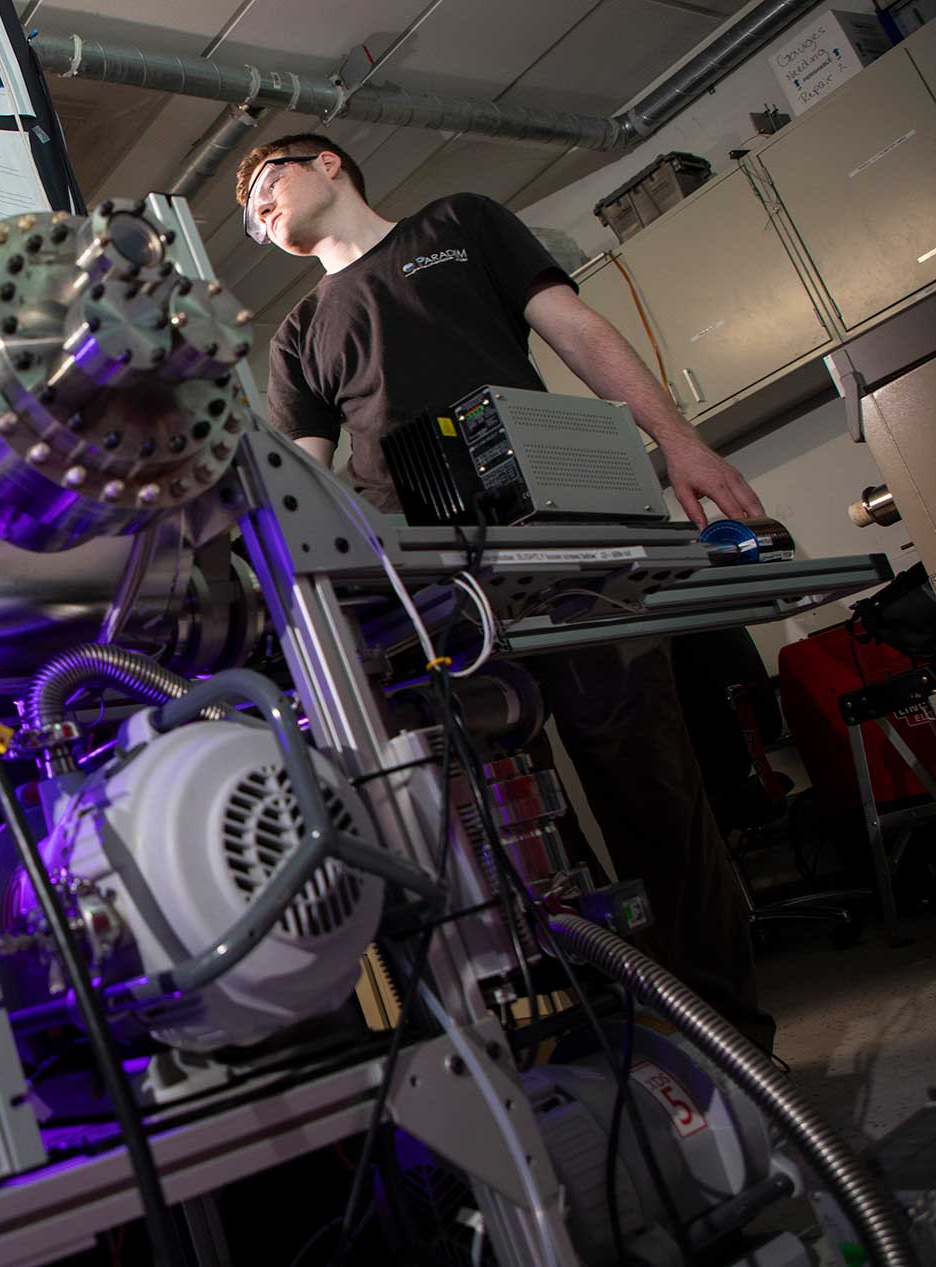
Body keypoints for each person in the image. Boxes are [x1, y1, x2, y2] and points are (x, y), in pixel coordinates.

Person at [235, 132, 777, 1050]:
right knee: (494, 824)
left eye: (263, 184)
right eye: (245, 213)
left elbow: (577, 331)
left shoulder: (459, 223)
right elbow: (306, 485)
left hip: (564, 547)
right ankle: (581, 1039)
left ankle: (727, 1038)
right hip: (432, 599)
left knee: (650, 785)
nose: (256, 212)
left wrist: (678, 442)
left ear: (327, 164)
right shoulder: (297, 334)